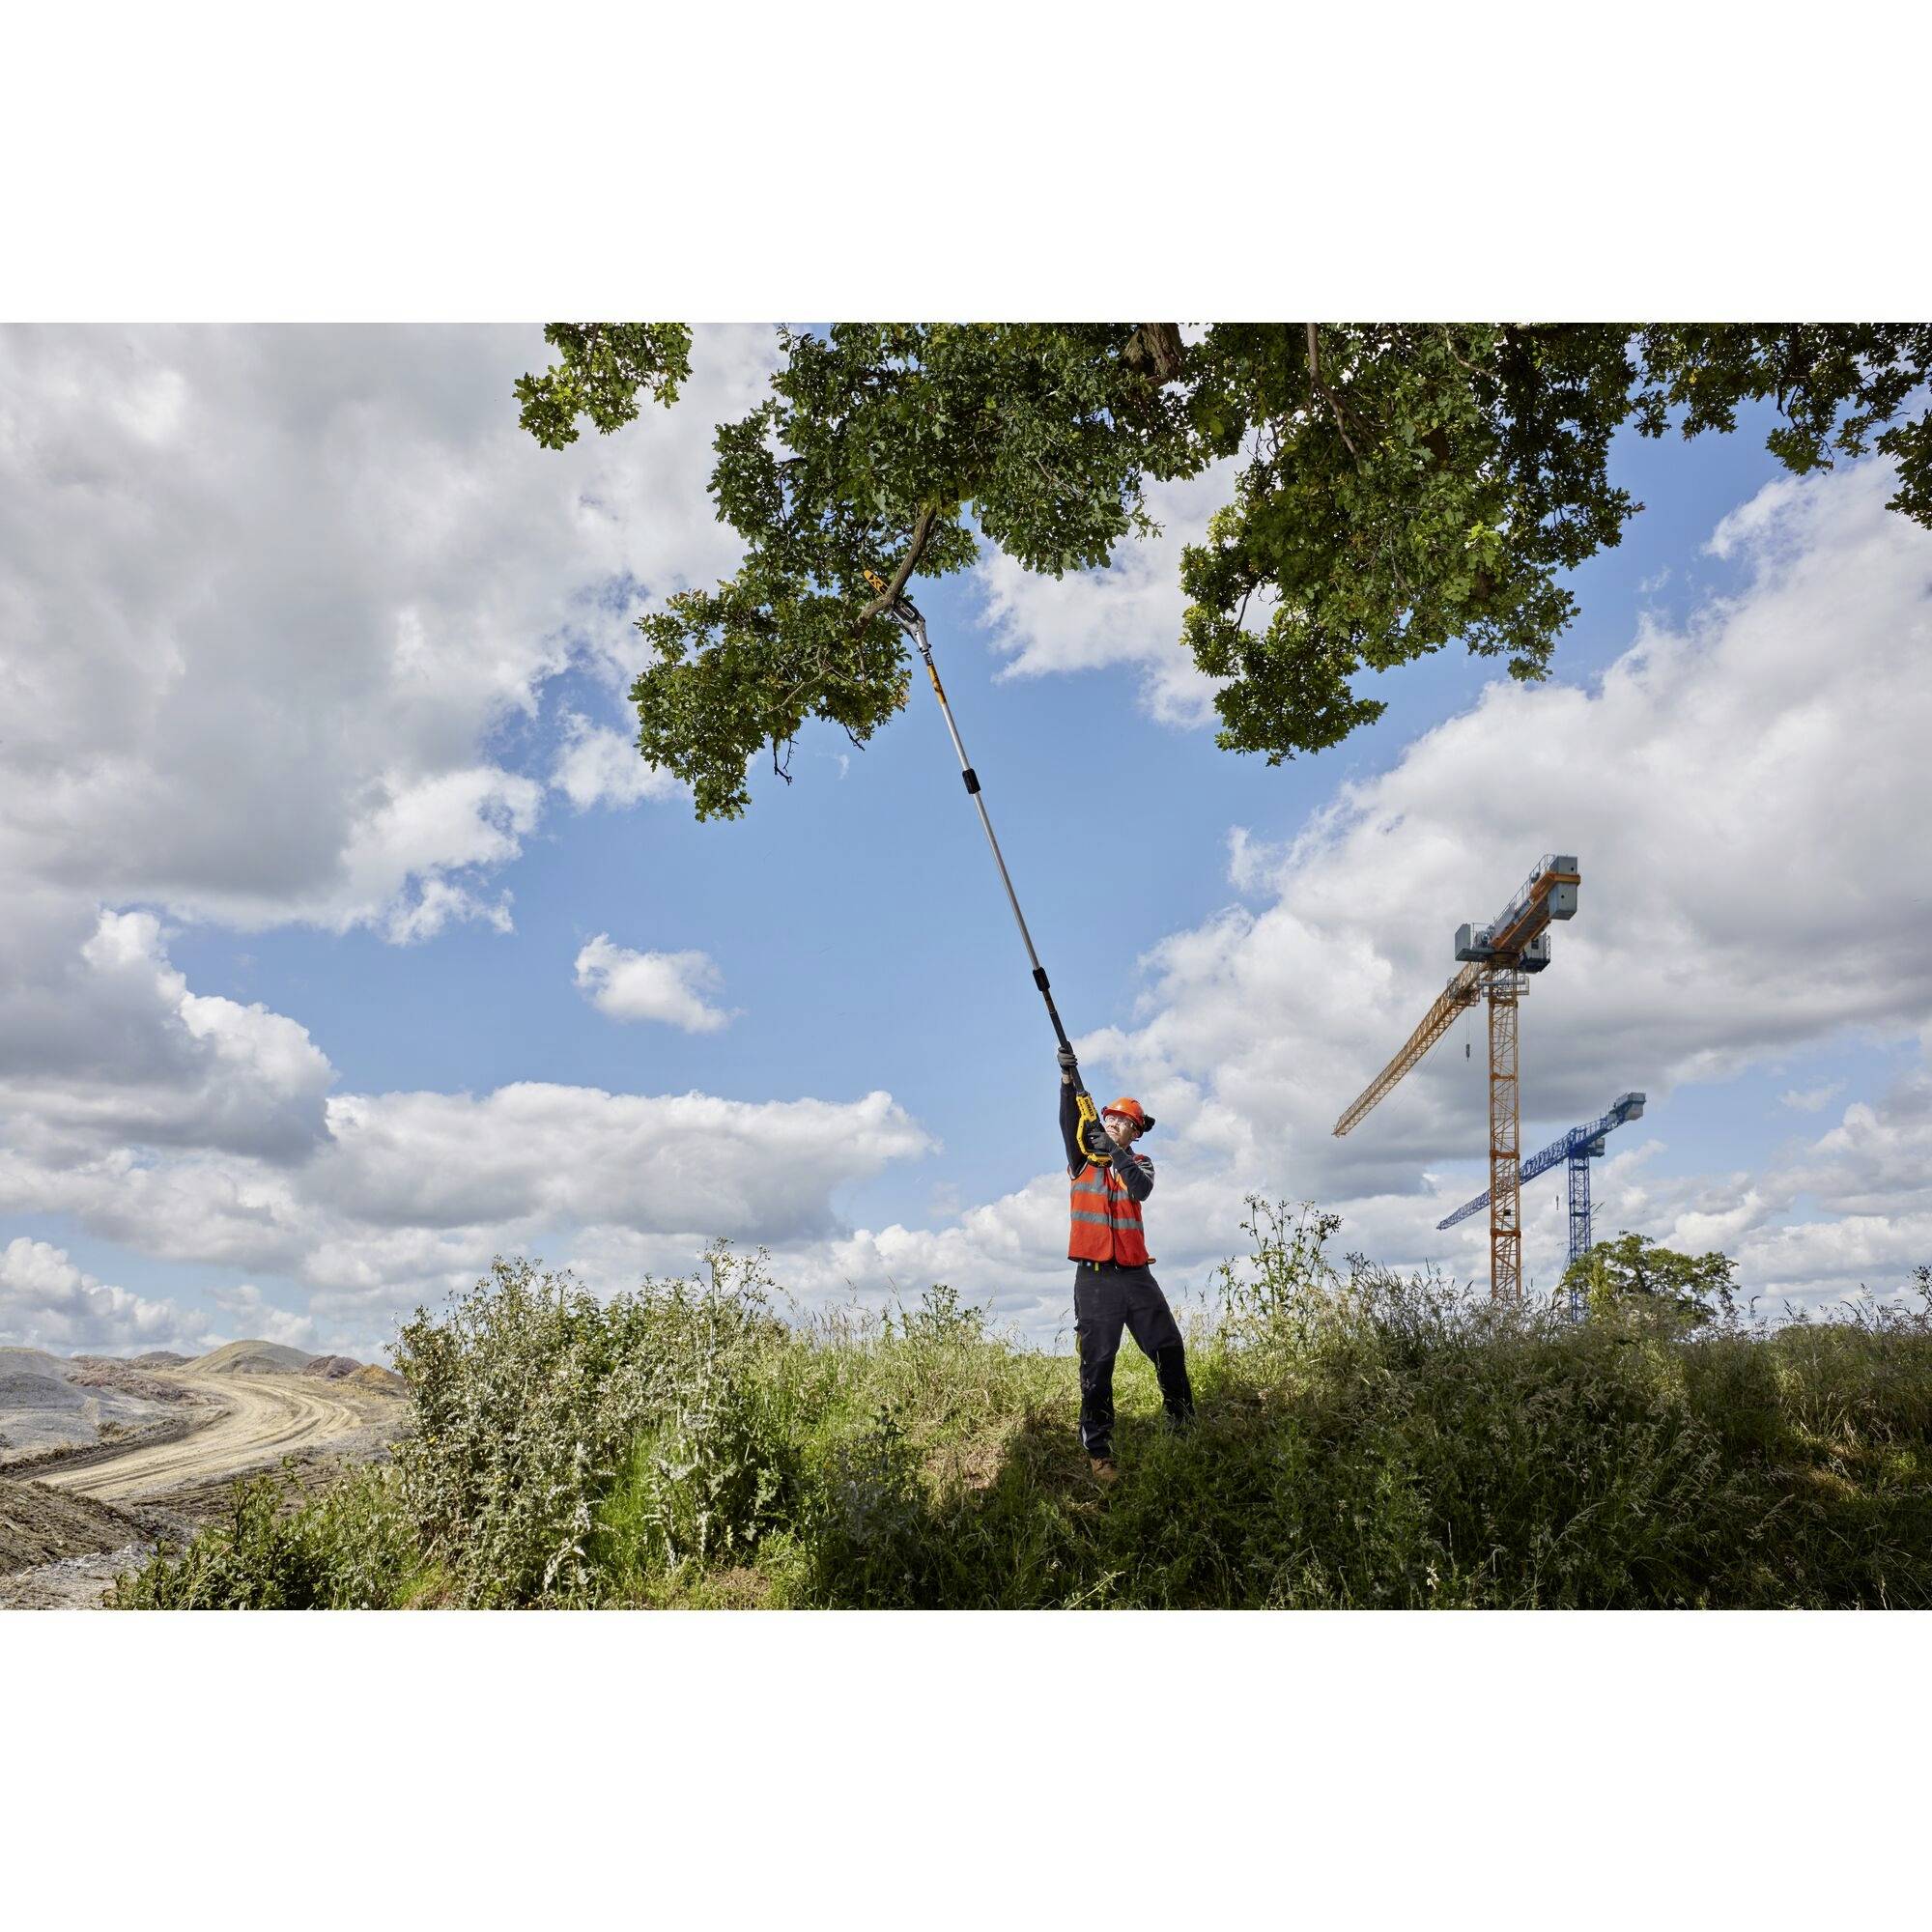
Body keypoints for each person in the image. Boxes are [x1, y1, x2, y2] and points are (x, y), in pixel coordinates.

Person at [1057, 1046, 1195, 1484]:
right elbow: (1068, 1123)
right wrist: (1066, 1081)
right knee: (1097, 1366)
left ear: (1135, 1134)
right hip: (1095, 1280)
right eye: (1112, 1119)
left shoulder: (1139, 1163)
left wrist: (1114, 1154)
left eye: (1127, 1125)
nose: (1117, 1126)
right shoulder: (1081, 1160)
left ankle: (1184, 1430)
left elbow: (1140, 1190)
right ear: (1103, 1121)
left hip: (1137, 1277)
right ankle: (1100, 1454)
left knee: (1168, 1349)